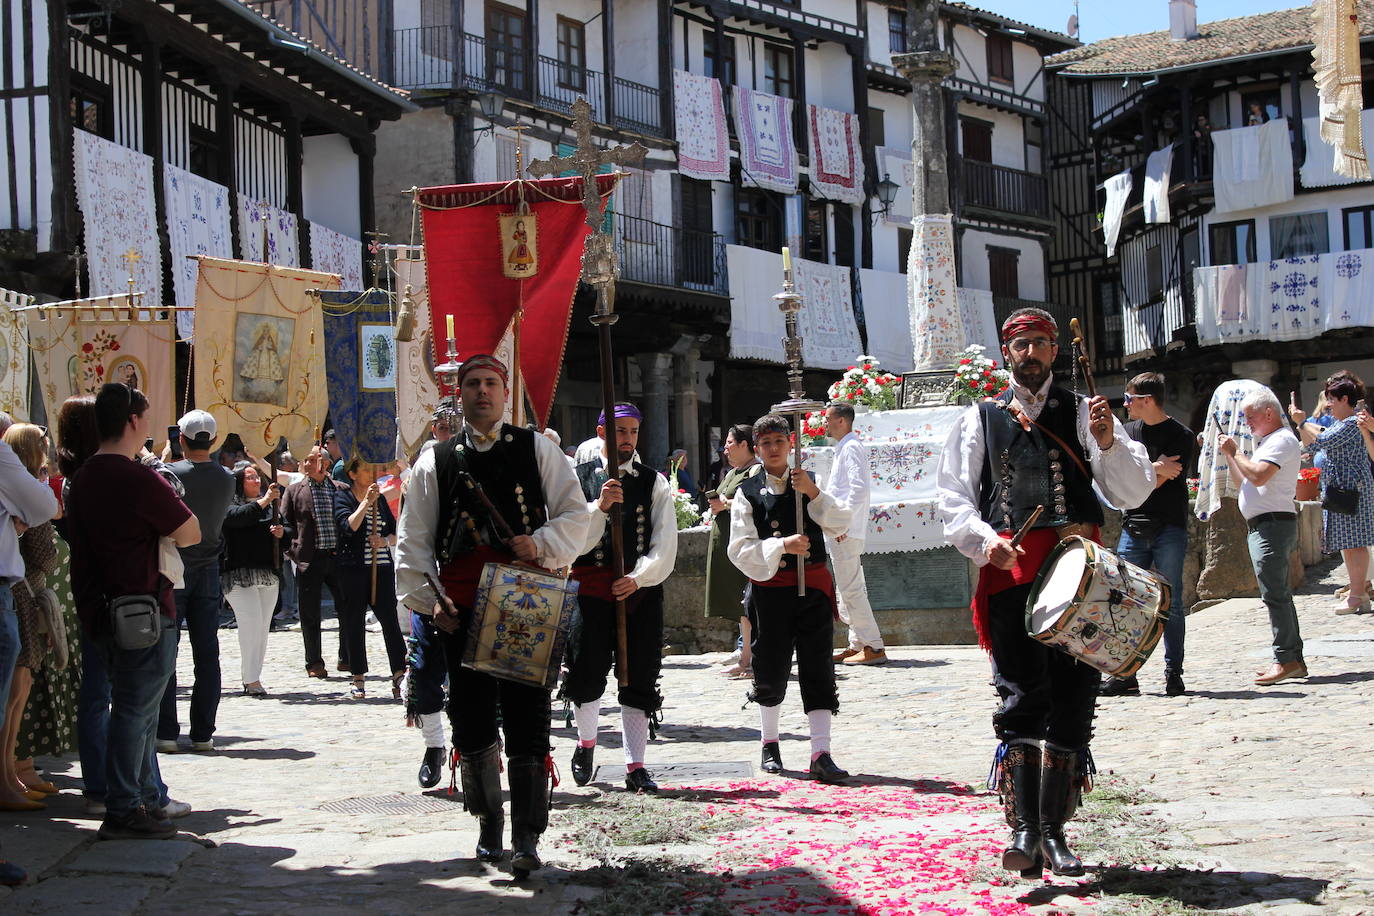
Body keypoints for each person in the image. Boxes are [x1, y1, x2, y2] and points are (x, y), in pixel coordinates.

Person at [935, 307, 1154, 878]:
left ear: (1056, 351)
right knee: (1021, 693)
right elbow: (954, 500)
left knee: (1075, 693)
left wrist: (1108, 443)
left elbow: (1129, 492)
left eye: (1040, 344)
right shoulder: (976, 419)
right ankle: (1023, 827)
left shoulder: (1086, 413)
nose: (1030, 354)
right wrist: (987, 543)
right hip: (1011, 572)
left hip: (1084, 578)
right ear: (1005, 353)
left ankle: (1055, 831)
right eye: (1020, 345)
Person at [395, 354, 587, 875]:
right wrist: (431, 603)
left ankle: (528, 833)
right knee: (472, 716)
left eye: (492, 383)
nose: (483, 391)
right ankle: (488, 825)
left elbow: (578, 517)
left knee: (528, 715)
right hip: (460, 608)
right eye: (473, 384)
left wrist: (539, 541)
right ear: (460, 394)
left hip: (525, 601)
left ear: (506, 393)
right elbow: (413, 542)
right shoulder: (435, 460)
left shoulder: (538, 449)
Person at [68, 383, 200, 840]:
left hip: (98, 607)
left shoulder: (83, 476)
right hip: (142, 608)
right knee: (135, 712)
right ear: (132, 422)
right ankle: (125, 806)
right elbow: (190, 533)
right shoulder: (137, 476)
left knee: (126, 708)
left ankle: (140, 797)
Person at [727, 414, 854, 785]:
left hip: (812, 587)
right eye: (765, 444)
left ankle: (821, 752)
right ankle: (770, 744)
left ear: (791, 442)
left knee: (818, 666)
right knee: (771, 665)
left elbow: (841, 521)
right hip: (771, 590)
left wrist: (813, 495)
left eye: (778, 442)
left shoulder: (811, 481)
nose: (772, 449)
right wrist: (781, 545)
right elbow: (740, 548)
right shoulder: (747, 493)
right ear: (757, 449)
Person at [564, 403, 676, 793]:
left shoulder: (653, 482)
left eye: (632, 431)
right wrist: (601, 508)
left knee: (640, 674)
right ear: (601, 435)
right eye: (619, 432)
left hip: (638, 591)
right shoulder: (576, 480)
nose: (626, 439)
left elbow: (664, 543)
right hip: (590, 591)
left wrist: (638, 577)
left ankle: (636, 764)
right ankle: (586, 743)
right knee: (586, 670)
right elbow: (572, 540)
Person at [1099, 372, 1194, 698]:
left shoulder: (1182, 435)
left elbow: (1151, 483)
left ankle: (1173, 673)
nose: (1124, 405)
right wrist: (1155, 467)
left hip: (1169, 527)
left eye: (1129, 399)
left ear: (1147, 400)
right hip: (1134, 526)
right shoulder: (1128, 433)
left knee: (1172, 602)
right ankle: (1125, 675)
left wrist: (1148, 472)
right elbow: (1130, 481)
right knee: (1122, 599)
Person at [157, 410, 235, 754]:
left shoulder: (170, 473)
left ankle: (166, 730)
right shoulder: (227, 477)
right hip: (208, 569)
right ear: (213, 441)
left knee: (166, 652)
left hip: (175, 568)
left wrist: (160, 460)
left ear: (182, 439)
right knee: (207, 654)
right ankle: (203, 731)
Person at [1219, 387, 1305, 685]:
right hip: (1264, 524)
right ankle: (1291, 657)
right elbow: (1246, 480)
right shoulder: (1270, 441)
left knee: (1275, 594)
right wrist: (1230, 456)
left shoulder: (1281, 440)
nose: (1248, 423)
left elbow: (1257, 475)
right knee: (1277, 593)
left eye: (1251, 417)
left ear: (1269, 413)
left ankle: (1287, 658)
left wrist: (1235, 451)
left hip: (1272, 525)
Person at [0, 424, 60, 811]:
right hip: (18, 589)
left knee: (16, 694)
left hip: (18, 587)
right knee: (12, 694)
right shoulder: (8, 466)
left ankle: (10, 776)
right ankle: (8, 776)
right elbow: (45, 547)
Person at [1290, 375, 1374, 614]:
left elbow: (1323, 440)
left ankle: (1358, 594)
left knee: (1355, 543)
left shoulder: (1350, 424)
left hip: (1351, 490)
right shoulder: (1341, 423)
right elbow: (1314, 444)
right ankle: (1358, 593)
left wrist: (1303, 421)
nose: (1328, 405)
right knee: (1348, 544)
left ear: (1344, 399)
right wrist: (1301, 423)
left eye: (1332, 400)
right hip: (1341, 490)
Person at [333, 456, 405, 700]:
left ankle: (399, 673)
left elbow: (395, 533)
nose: (370, 474)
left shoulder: (382, 499)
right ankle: (358, 676)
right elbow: (349, 526)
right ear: (353, 474)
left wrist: (384, 541)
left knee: (390, 621)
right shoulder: (342, 497)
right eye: (365, 469)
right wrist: (366, 502)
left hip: (381, 568)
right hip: (353, 569)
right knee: (354, 622)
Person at [824, 403, 886, 666]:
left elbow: (857, 489)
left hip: (845, 531)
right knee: (849, 587)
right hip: (843, 530)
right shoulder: (845, 447)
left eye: (828, 419)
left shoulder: (851, 447)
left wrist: (841, 524)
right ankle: (857, 643)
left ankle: (873, 644)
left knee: (851, 590)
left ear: (841, 421)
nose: (824, 423)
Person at [282, 446, 348, 679]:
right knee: (309, 613)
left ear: (326, 464)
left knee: (347, 608)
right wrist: (293, 550)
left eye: (312, 460)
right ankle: (314, 662)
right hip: (310, 558)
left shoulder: (340, 489)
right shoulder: (294, 491)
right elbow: (287, 523)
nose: (307, 464)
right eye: (305, 460)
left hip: (338, 557)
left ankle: (346, 658)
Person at [705, 425, 762, 679]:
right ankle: (745, 655)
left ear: (744, 444)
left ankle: (749, 660)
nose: (725, 448)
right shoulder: (733, 472)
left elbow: (753, 501)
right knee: (739, 604)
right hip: (728, 545)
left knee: (746, 602)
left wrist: (725, 504)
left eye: (730, 443)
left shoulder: (755, 470)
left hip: (742, 545)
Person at [222, 463, 283, 696]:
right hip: (238, 574)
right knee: (251, 623)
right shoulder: (230, 503)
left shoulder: (271, 506)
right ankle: (251, 679)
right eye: (250, 477)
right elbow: (237, 519)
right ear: (239, 481)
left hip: (267, 573)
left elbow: (286, 530)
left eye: (257, 477)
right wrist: (265, 501)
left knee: (262, 628)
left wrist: (281, 533)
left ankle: (253, 675)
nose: (256, 481)